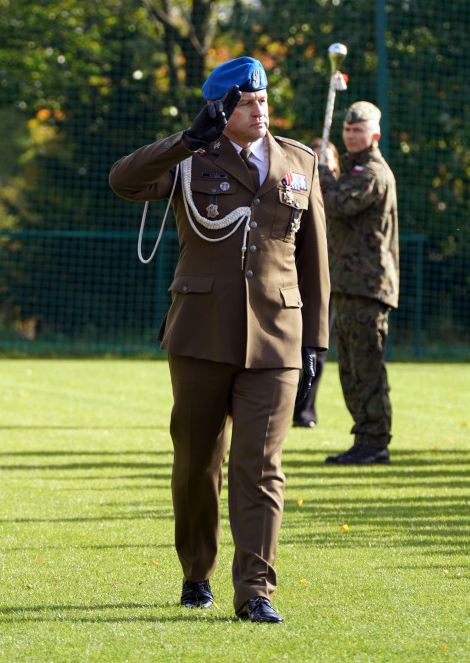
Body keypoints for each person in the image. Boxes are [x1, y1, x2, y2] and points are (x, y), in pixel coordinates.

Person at [109, 57, 329, 624]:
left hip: (278, 335)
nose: (260, 110)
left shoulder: (298, 161)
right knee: (198, 464)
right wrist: (186, 139)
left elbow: (313, 257)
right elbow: (123, 180)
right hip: (201, 333)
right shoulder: (189, 159)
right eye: (247, 102)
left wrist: (317, 342)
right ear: (222, 108)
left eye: (263, 100)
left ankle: (255, 590)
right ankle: (196, 571)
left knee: (261, 465)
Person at [318, 101, 399, 465]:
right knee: (350, 368)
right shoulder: (354, 169)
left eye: (358, 130)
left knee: (366, 366)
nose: (351, 135)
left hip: (368, 286)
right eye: (347, 130)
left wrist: (319, 172)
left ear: (375, 134)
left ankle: (375, 440)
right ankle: (363, 437)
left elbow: (337, 204)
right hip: (347, 284)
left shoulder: (372, 172)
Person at [292, 139, 340, 428]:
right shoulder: (298, 185)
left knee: (316, 346)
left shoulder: (342, 189)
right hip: (295, 277)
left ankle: (305, 411)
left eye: (328, 159)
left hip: (329, 279)